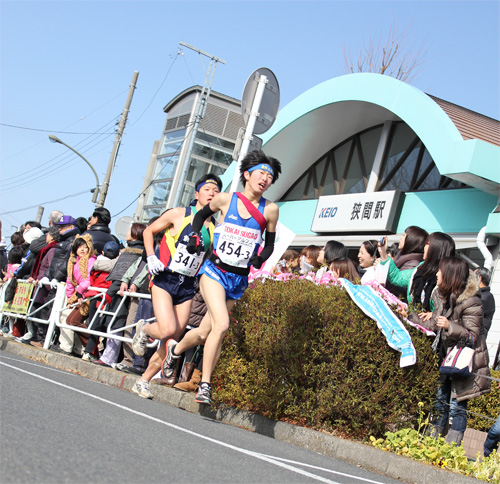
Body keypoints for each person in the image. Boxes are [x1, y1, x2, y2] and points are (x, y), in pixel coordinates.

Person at [161, 150, 282, 405]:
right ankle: (205, 385)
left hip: (238, 279)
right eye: (261, 173)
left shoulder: (270, 210)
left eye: (270, 176)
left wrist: (260, 258)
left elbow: (269, 245)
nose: (265, 179)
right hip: (214, 272)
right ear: (247, 175)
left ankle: (175, 350)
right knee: (223, 325)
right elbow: (200, 216)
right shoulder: (225, 199)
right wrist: (195, 235)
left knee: (205, 333)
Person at [130, 174, 222, 399]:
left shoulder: (215, 227)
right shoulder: (179, 214)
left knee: (172, 340)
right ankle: (143, 329)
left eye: (217, 191)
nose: (212, 193)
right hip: (165, 278)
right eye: (208, 189)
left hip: (188, 284)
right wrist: (151, 256)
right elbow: (148, 231)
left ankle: (143, 381)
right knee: (168, 329)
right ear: (197, 193)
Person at [413, 257, 490, 445]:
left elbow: (473, 336)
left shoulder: (472, 301)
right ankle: (434, 441)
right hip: (446, 358)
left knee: (457, 406)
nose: (437, 274)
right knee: (440, 401)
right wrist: (410, 317)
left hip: (464, 361)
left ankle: (452, 446)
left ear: (450, 275)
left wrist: (450, 326)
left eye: (440, 271)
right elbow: (435, 323)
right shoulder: (441, 295)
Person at [92, 222, 146, 367]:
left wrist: (111, 291)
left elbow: (121, 274)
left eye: (130, 230)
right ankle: (111, 356)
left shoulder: (133, 252)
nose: (127, 232)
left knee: (116, 323)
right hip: (119, 291)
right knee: (116, 323)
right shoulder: (132, 251)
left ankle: (110, 357)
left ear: (136, 233)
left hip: (119, 292)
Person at [378, 232, 456, 311]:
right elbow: (397, 277)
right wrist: (383, 253)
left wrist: (434, 314)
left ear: (436, 248)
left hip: (431, 322)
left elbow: (446, 310)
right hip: (415, 319)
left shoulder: (449, 278)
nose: (424, 247)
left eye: (426, 243)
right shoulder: (420, 268)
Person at [51, 234, 97, 356]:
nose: (82, 249)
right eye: (79, 247)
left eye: (85, 246)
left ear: (90, 247)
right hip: (79, 296)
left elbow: (89, 279)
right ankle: (86, 348)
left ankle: (93, 346)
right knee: (71, 321)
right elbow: (70, 281)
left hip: (88, 296)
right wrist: (71, 298)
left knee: (73, 321)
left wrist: (79, 292)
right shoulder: (73, 262)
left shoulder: (91, 260)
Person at [81, 240, 120, 361]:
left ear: (102, 252)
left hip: (94, 296)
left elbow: (90, 279)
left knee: (93, 324)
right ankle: (92, 351)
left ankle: (89, 351)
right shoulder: (115, 267)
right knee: (100, 325)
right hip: (106, 299)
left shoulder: (96, 265)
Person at [474, 267, 496, 337]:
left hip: (477, 336)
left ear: (479, 278)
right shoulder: (482, 294)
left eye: (473, 276)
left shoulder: (485, 297)